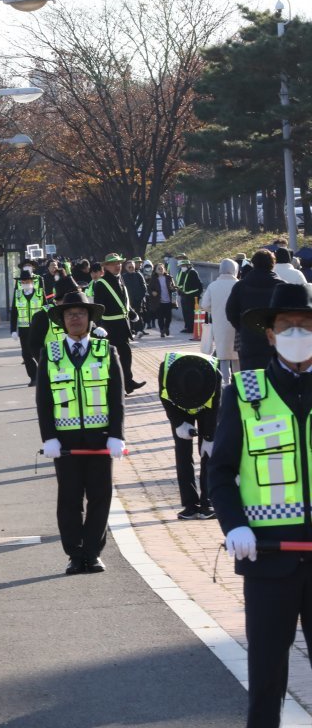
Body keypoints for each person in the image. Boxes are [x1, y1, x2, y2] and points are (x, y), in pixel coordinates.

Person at [209, 283, 312, 728]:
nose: (295, 333)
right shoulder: (245, 393)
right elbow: (220, 473)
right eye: (286, 326)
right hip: (269, 555)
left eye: (304, 326)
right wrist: (234, 526)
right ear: (269, 335)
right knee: (267, 675)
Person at [37, 290, 126, 574]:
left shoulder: (106, 350)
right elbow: (44, 400)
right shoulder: (50, 354)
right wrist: (48, 437)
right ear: (62, 320)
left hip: (100, 439)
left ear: (90, 319)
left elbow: (117, 397)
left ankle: (93, 552)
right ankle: (75, 554)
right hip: (65, 442)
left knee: (100, 498)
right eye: (69, 314)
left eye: (81, 313)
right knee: (70, 499)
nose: (75, 318)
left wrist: (117, 434)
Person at [157, 352, 220, 520]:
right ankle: (189, 504)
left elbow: (215, 407)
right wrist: (179, 423)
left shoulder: (215, 374)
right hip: (178, 404)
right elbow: (164, 399)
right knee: (183, 453)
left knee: (208, 453)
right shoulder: (166, 370)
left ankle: (208, 503)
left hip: (206, 406)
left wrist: (209, 437)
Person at [92, 253, 146, 393]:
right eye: (113, 264)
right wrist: (97, 326)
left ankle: (127, 383)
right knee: (113, 359)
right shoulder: (101, 284)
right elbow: (98, 307)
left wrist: (132, 313)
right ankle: (117, 385)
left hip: (123, 325)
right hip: (110, 327)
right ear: (106, 266)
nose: (118, 266)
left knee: (126, 355)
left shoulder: (120, 279)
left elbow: (123, 303)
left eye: (119, 263)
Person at [226, 250, 282, 371]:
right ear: (273, 264)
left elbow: (230, 311)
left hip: (248, 339)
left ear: (253, 264)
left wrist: (242, 327)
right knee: (275, 378)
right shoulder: (281, 287)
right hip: (274, 340)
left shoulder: (241, 286)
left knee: (250, 378)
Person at [201, 258, 240, 382]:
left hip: (220, 325)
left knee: (223, 355)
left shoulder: (213, 285)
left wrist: (216, 310)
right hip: (237, 325)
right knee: (237, 355)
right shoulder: (239, 284)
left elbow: (205, 305)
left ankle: (225, 382)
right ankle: (238, 382)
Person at [11, 269, 47, 385]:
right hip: (24, 330)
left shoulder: (40, 293)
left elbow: (46, 309)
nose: (25, 283)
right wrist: (13, 330)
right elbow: (14, 312)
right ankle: (34, 377)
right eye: (23, 281)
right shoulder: (18, 294)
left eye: (27, 281)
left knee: (40, 353)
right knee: (26, 355)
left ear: (32, 281)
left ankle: (44, 375)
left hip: (38, 328)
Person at [148, 263, 178, 338]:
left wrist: (174, 300)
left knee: (169, 317)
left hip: (168, 301)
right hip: (159, 301)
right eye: (159, 268)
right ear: (155, 270)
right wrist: (152, 292)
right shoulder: (153, 279)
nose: (161, 270)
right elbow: (149, 289)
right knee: (160, 317)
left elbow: (174, 289)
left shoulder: (169, 277)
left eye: (162, 268)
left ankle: (166, 328)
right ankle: (162, 330)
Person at [123, 259, 149, 338]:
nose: (131, 268)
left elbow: (144, 287)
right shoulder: (123, 277)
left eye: (132, 267)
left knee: (138, 315)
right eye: (129, 267)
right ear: (126, 268)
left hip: (138, 300)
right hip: (128, 301)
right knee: (129, 315)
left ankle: (139, 330)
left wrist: (140, 297)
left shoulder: (138, 275)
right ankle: (131, 331)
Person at [177, 258, 203, 333]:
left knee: (190, 313)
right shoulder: (184, 272)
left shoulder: (192, 272)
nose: (182, 267)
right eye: (181, 265)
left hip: (191, 297)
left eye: (183, 265)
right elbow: (182, 283)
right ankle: (187, 327)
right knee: (186, 312)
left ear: (188, 265)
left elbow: (198, 286)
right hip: (184, 295)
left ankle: (191, 328)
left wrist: (193, 294)